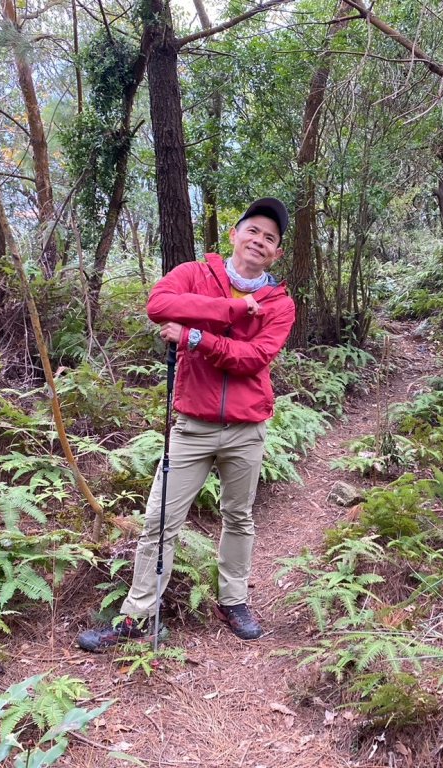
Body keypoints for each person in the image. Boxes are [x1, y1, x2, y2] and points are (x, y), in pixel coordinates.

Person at [77, 197, 295, 650]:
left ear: (276, 253)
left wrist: (195, 335)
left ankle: (233, 600)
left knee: (238, 517)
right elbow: (159, 304)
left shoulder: (279, 303)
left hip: (247, 427)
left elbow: (253, 360)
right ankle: (139, 617)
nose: (259, 241)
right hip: (191, 425)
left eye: (270, 238)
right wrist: (234, 311)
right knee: (159, 521)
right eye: (252, 230)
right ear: (234, 235)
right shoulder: (196, 274)